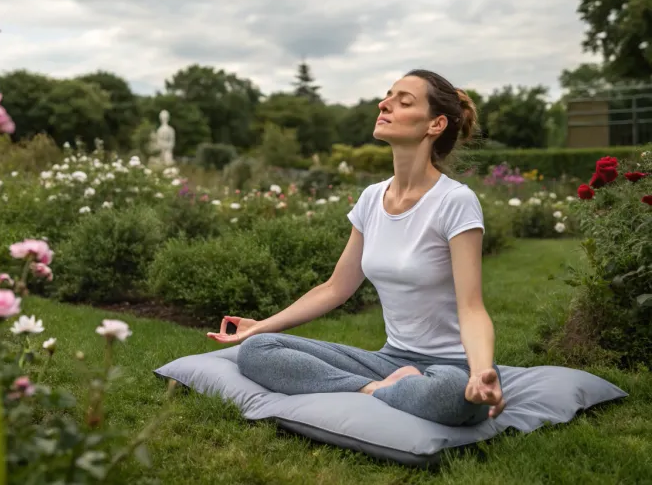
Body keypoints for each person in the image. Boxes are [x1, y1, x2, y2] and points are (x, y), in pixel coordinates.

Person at [206, 69, 505, 427]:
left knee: (453, 398)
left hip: (452, 366)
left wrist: (481, 371)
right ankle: (375, 389)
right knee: (257, 350)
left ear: (435, 124)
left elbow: (471, 307)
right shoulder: (371, 198)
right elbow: (336, 288)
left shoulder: (455, 201)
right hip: (390, 360)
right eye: (388, 95)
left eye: (403, 101)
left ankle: (389, 390)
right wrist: (260, 327)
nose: (384, 103)